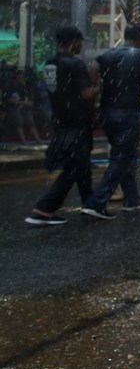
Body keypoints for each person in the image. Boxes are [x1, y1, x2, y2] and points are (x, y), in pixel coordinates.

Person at [80, 23, 140, 220]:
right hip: (128, 114)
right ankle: (96, 203)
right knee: (121, 159)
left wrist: (92, 114)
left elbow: (92, 85)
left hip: (107, 113)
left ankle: (132, 200)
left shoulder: (103, 57)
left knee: (125, 156)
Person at [26, 26, 98, 226]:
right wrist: (99, 87)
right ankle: (44, 208)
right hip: (77, 121)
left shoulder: (50, 64)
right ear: (74, 41)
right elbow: (86, 95)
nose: (82, 45)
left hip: (61, 120)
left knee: (81, 165)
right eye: (81, 41)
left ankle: (90, 204)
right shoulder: (75, 65)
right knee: (75, 167)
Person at [4, 69, 43, 145]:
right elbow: (9, 100)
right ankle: (23, 141)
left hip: (23, 108)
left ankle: (38, 140)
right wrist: (23, 103)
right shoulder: (8, 87)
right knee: (19, 120)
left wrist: (22, 104)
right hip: (12, 108)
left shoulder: (23, 87)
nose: (23, 78)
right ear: (17, 77)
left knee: (30, 121)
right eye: (22, 76)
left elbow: (29, 100)